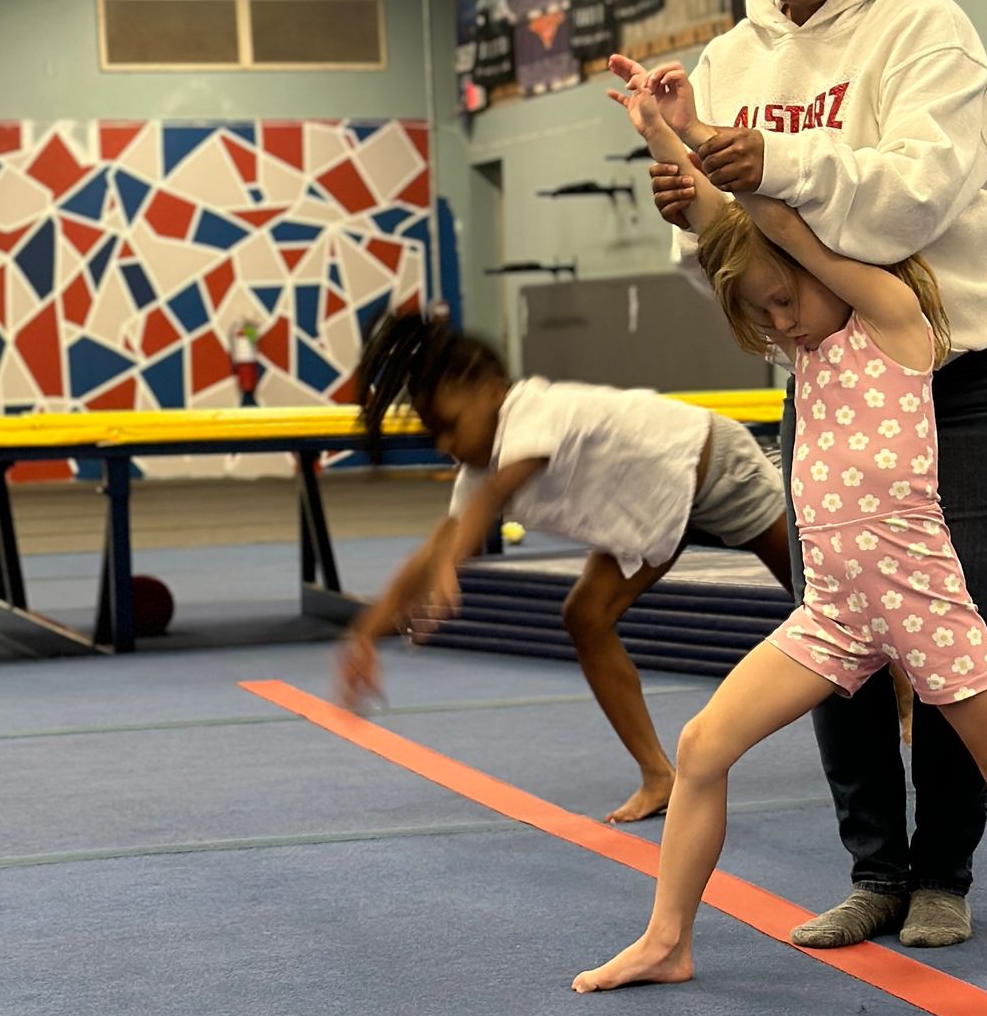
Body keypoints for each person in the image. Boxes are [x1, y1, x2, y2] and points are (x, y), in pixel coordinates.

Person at [624, 0, 987, 955]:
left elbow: (910, 202)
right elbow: (724, 247)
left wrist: (773, 167)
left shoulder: (928, 32)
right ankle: (875, 867)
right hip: (839, 379)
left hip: (969, 365)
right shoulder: (730, 57)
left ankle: (944, 872)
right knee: (835, 616)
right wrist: (694, 215)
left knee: (950, 616)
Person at [572, 85, 987, 993]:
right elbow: (739, 235)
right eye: (762, 315)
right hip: (834, 613)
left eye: (784, 303)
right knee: (703, 746)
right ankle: (668, 939)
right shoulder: (806, 348)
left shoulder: (895, 326)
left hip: (923, 606)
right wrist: (659, 132)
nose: (781, 323)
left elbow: (791, 236)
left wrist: (721, 152)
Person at [339, 310, 792, 824]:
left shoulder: (532, 410)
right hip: (652, 512)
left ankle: (902, 696)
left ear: (490, 391)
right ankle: (658, 775)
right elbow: (433, 547)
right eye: (432, 436)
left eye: (448, 426)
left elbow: (495, 496)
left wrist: (450, 561)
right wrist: (365, 630)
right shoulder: (481, 466)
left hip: (710, 466)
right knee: (585, 617)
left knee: (816, 598)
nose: (444, 445)